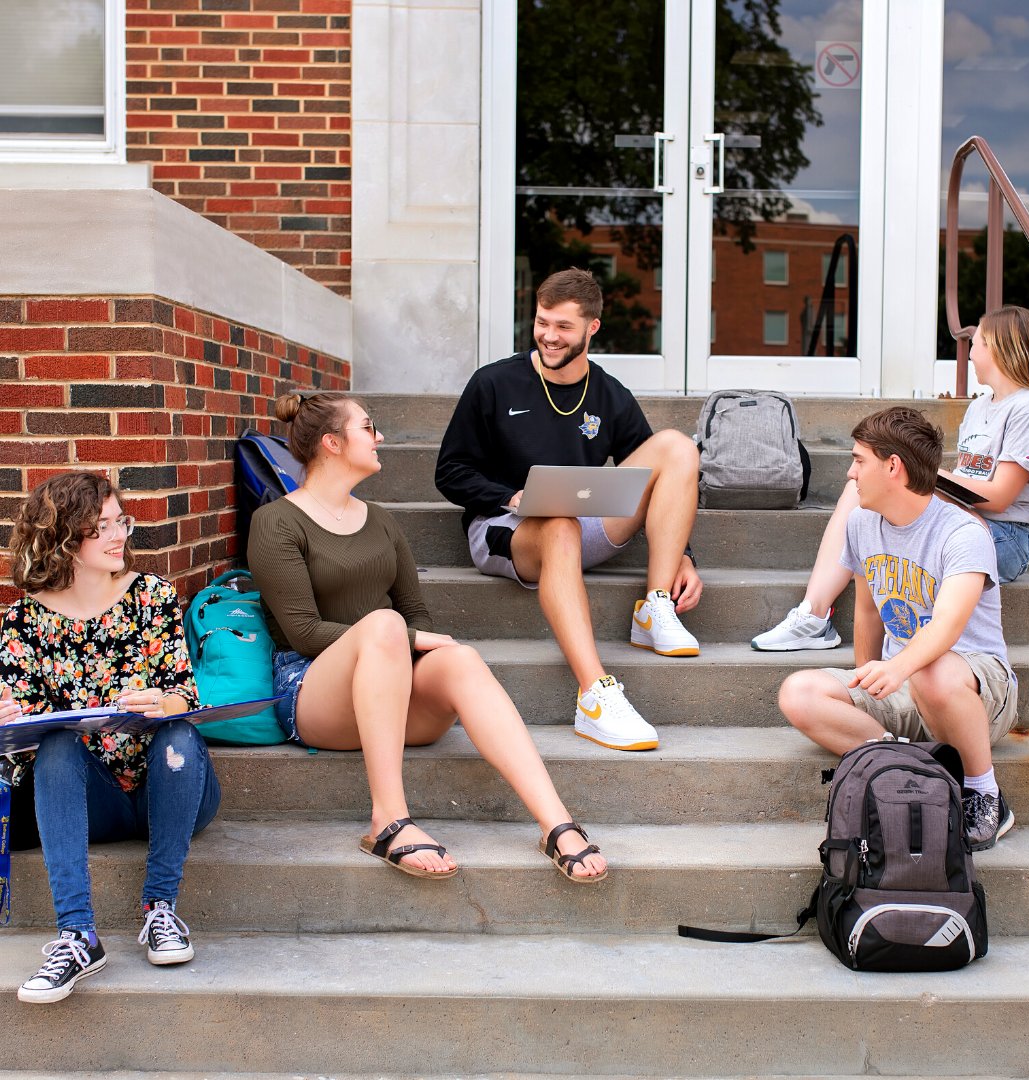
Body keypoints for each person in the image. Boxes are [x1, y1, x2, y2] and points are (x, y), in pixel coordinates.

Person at [246, 390, 607, 884]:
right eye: (368, 428)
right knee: (386, 624)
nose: (380, 437)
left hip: (392, 695)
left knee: (461, 659)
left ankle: (556, 824)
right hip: (313, 696)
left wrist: (408, 639)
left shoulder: (381, 521)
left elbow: (415, 612)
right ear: (331, 442)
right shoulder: (275, 521)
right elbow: (305, 633)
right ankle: (388, 821)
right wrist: (403, 637)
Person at [434, 268, 702, 752]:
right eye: (542, 322)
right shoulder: (493, 383)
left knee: (676, 447)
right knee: (556, 522)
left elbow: (659, 485)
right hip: (505, 528)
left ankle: (654, 606)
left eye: (563, 326)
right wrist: (512, 497)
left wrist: (682, 555)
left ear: (592, 327)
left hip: (584, 525)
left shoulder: (610, 394)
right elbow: (450, 472)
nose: (549, 336)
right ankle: (595, 695)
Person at [0, 471, 219, 1004]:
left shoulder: (151, 596)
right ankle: (77, 936)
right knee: (55, 743)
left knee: (178, 733)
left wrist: (164, 704)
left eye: (121, 521)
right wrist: (7, 719)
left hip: (169, 787)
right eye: (101, 527)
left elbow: (184, 693)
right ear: (62, 537)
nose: (119, 535)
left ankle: (160, 909)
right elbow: (21, 740)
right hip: (90, 798)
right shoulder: (23, 620)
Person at [778, 406, 1018, 851]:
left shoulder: (962, 532)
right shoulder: (862, 523)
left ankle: (985, 793)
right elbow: (869, 613)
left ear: (893, 466)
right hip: (907, 684)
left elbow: (946, 626)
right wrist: (866, 680)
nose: (850, 473)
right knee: (799, 693)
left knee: (932, 670)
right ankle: (909, 765)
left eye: (859, 460)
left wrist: (898, 668)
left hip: (976, 690)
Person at [753, 305, 1029, 651]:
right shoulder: (980, 407)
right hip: (960, 516)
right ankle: (814, 613)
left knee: (883, 486)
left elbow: (1000, 497)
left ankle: (820, 616)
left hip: (1003, 536)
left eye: (977, 343)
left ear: (999, 348)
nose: (970, 353)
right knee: (862, 485)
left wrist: (927, 474)